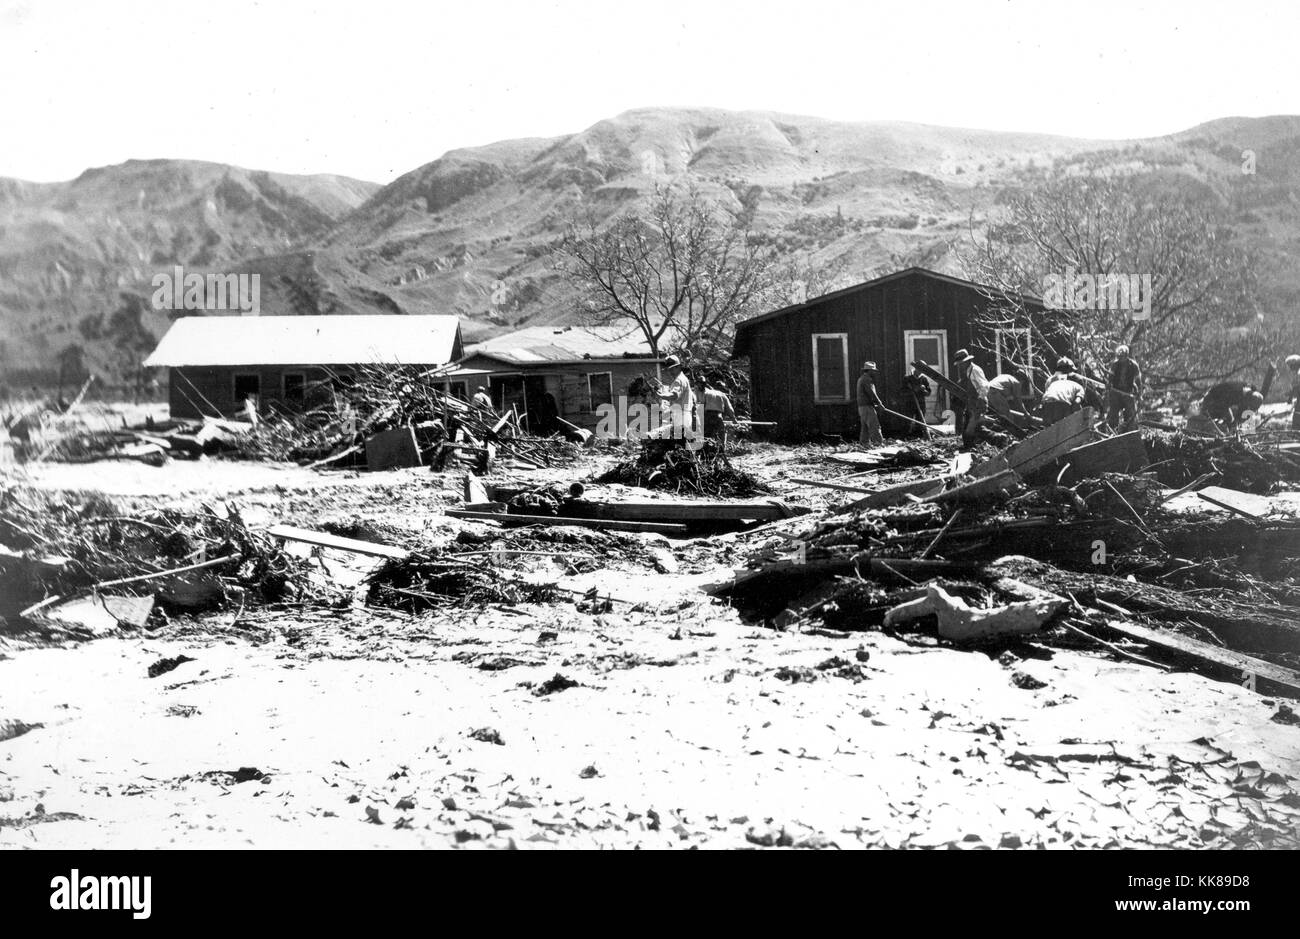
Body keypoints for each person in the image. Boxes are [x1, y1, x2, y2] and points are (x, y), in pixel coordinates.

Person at [952, 349, 988, 447]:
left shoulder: (975, 370)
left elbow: (984, 386)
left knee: (971, 429)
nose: (960, 366)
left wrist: (981, 399)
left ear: (967, 361)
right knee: (968, 426)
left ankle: (1000, 439)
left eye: (961, 363)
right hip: (972, 402)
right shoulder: (968, 371)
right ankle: (970, 447)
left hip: (978, 402)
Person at [1106, 345, 1143, 432]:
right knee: (1113, 414)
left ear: (1126, 356)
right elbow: (1110, 377)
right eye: (1119, 357)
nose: (1120, 359)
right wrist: (1108, 384)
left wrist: (1139, 394)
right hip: (1116, 393)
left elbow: (1138, 381)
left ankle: (1130, 432)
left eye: (1122, 357)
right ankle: (1112, 432)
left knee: (1130, 415)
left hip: (1128, 393)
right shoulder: (1115, 364)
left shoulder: (1134, 365)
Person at [1200, 381, 1264, 432]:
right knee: (1227, 420)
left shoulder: (1248, 391)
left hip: (1220, 400)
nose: (1249, 406)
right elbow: (1224, 406)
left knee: (1232, 420)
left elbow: (1242, 409)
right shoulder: (1236, 392)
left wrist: (1237, 421)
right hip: (1211, 399)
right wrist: (1233, 422)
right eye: (1250, 404)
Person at [1039, 360, 1087, 426]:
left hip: (1046, 404)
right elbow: (1076, 403)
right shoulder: (1078, 387)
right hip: (1062, 404)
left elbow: (1048, 394)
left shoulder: (1052, 381)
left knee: (1049, 428)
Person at [657, 355, 695, 435]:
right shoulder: (683, 379)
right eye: (669, 369)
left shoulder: (679, 380)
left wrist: (661, 395)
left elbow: (674, 395)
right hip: (683, 414)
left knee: (677, 441)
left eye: (672, 369)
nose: (670, 371)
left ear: (678, 367)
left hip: (681, 415)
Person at [856, 361, 885, 447]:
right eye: (873, 371)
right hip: (867, 407)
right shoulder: (867, 379)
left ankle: (864, 444)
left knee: (865, 428)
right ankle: (878, 444)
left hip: (862, 407)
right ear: (869, 371)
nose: (875, 372)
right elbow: (871, 393)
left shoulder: (861, 378)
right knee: (874, 426)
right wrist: (879, 404)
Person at [701, 380, 737, 450]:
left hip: (707, 416)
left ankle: (705, 451)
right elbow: (729, 408)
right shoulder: (722, 394)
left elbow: (701, 405)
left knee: (706, 435)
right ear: (722, 388)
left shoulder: (706, 393)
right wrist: (734, 419)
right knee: (721, 435)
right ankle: (722, 450)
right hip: (718, 416)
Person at [1287, 354, 1300, 431]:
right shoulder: (1297, 373)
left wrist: (1290, 398)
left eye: (1291, 366)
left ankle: (1296, 435)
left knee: (1296, 417)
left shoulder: (1299, 373)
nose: (1290, 368)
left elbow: (1297, 387)